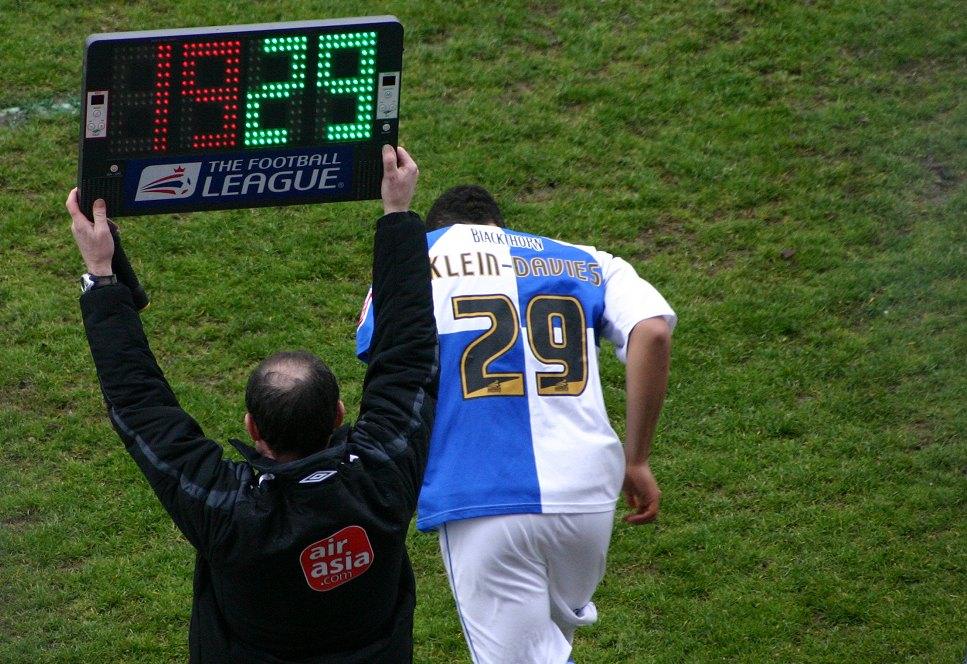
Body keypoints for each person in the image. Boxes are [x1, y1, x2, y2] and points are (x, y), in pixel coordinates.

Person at [67, 145, 438, 663]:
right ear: (338, 415)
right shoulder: (384, 472)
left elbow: (141, 406)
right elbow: (408, 356)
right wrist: (398, 215)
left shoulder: (228, 511)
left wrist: (102, 274)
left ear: (251, 428)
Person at [356, 185, 675, 663]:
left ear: (435, 229)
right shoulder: (587, 260)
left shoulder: (415, 261)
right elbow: (652, 331)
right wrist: (638, 459)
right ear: (499, 225)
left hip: (482, 498)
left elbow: (385, 358)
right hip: (587, 497)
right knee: (548, 649)